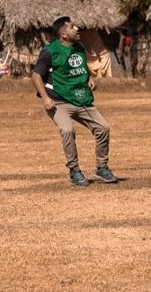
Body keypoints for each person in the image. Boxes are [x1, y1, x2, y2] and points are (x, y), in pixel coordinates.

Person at [30, 16, 118, 186]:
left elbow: (79, 67)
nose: (77, 28)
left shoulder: (79, 46)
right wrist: (46, 98)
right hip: (58, 101)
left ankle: (102, 168)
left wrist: (89, 78)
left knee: (103, 128)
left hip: (80, 98)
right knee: (68, 130)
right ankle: (74, 171)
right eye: (72, 27)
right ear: (63, 35)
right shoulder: (49, 51)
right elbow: (36, 75)